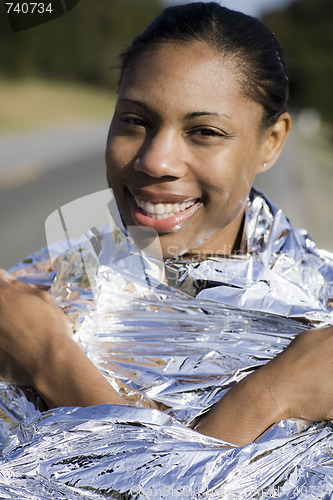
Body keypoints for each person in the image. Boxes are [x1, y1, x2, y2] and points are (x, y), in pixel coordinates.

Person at [0, 2, 332, 448]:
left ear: (270, 143)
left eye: (205, 132)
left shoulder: (320, 328)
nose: (155, 161)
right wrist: (268, 399)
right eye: (136, 121)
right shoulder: (29, 299)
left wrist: (51, 364)